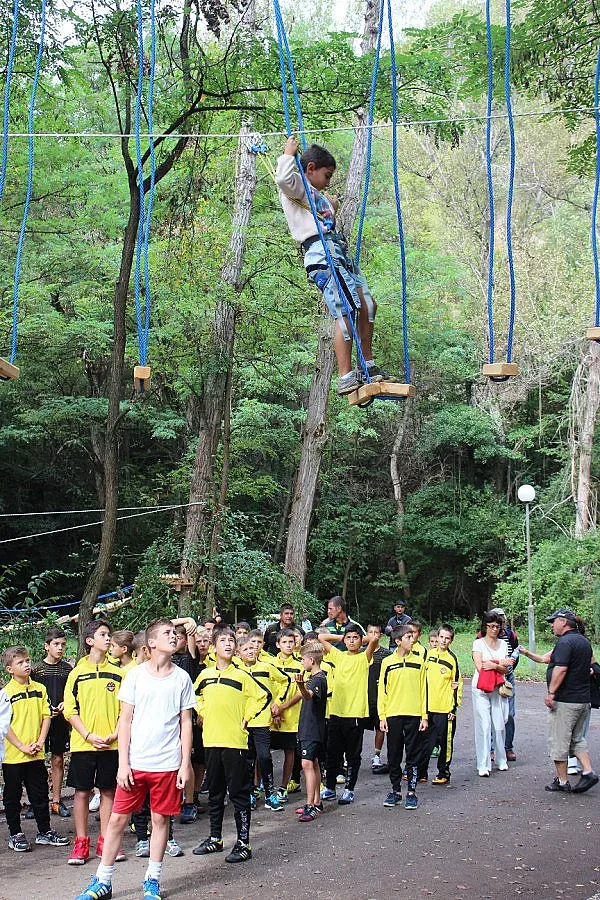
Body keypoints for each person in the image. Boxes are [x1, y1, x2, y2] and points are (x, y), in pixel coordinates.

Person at [74, 618, 196, 900]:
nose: (174, 636)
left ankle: (152, 880)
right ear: (151, 643)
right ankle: (103, 881)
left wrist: (185, 763)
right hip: (136, 763)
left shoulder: (181, 678)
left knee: (160, 821)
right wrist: (123, 763)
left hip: (167, 764)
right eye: (167, 633)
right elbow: (125, 720)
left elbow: (186, 722)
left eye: (175, 633)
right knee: (117, 821)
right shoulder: (135, 676)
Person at [275, 138, 393, 395]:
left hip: (338, 252)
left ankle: (368, 365)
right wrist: (287, 155)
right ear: (311, 169)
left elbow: (322, 218)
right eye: (326, 175)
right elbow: (283, 179)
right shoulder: (298, 187)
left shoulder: (315, 195)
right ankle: (345, 375)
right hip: (322, 255)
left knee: (368, 305)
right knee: (347, 309)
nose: (328, 181)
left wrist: (332, 206)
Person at [193, 627, 269, 863]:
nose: (227, 644)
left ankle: (243, 843)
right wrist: (204, 712)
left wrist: (246, 717)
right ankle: (215, 838)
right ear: (213, 647)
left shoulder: (242, 675)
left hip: (235, 741)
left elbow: (263, 696)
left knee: (238, 793)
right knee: (215, 793)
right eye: (222, 640)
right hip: (211, 741)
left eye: (231, 640)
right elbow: (194, 696)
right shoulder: (204, 675)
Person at [63, 619, 123, 866]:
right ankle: (81, 841)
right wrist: (87, 735)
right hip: (84, 744)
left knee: (108, 790)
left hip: (111, 744)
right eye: (103, 634)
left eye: (109, 634)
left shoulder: (119, 673)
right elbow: (69, 709)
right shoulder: (76, 673)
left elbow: (125, 710)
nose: (108, 638)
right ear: (89, 641)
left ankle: (106, 840)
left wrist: (115, 734)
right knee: (82, 792)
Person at [520, 608, 599, 794]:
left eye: (553, 621)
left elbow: (561, 669)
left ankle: (563, 781)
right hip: (583, 700)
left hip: (566, 701)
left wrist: (551, 692)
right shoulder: (583, 641)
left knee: (558, 742)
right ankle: (588, 772)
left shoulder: (565, 642)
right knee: (577, 739)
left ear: (563, 621)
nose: (552, 625)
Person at [2, 645, 69, 853]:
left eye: (28, 661)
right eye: (20, 662)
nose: (26, 665)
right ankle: (15, 833)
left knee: (39, 795)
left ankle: (44, 831)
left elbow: (46, 715)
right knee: (13, 796)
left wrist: (40, 742)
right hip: (14, 756)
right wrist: (22, 746)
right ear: (9, 669)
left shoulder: (40, 689)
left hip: (36, 753)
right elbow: (4, 725)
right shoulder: (6, 694)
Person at [318, 624, 379, 804]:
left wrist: (360, 638)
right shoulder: (338, 656)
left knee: (353, 754)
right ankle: (329, 788)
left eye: (355, 638)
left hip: (355, 714)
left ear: (360, 640)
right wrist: (342, 637)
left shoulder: (363, 657)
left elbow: (374, 639)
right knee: (333, 752)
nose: (351, 641)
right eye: (349, 638)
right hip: (337, 712)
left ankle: (349, 789)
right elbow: (321, 638)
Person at [236, 635, 289, 811]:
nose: (250, 651)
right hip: (242, 721)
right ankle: (250, 793)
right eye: (245, 649)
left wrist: (278, 702)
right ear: (239, 653)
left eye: (253, 648)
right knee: (247, 760)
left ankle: (269, 794)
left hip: (262, 721)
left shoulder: (267, 667)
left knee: (265, 756)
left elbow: (285, 681)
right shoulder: (236, 670)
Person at [378, 625, 428, 810]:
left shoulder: (420, 661)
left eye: (412, 636)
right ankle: (395, 790)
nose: (412, 640)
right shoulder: (387, 662)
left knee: (413, 755)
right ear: (398, 641)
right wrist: (382, 716)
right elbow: (381, 691)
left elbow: (424, 690)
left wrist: (424, 716)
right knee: (394, 754)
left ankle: (411, 792)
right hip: (393, 714)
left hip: (414, 714)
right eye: (408, 637)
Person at [31, 626, 73, 818]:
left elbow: (73, 693)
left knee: (57, 759)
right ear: (46, 646)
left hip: (60, 721)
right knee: (37, 761)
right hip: (40, 721)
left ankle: (56, 800)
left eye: (63, 644)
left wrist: (66, 704)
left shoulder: (67, 669)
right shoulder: (36, 670)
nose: (60, 648)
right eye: (56, 644)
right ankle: (37, 801)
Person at [471, 611, 511, 777]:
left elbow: (507, 668)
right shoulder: (478, 644)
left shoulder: (503, 644)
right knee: (484, 725)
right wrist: (500, 663)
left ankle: (501, 759)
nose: (494, 629)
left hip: (498, 687)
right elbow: (481, 667)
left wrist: (494, 665)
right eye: (491, 626)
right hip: (481, 687)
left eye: (497, 626)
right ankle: (483, 764)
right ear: (485, 627)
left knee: (500, 724)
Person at [425, 624, 463, 785]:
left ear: (451, 640)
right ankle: (421, 772)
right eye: (441, 637)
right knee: (425, 741)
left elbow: (457, 685)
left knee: (445, 743)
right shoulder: (429, 655)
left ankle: (443, 772)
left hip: (445, 708)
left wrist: (453, 708)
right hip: (428, 708)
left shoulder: (452, 659)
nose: (443, 640)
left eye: (447, 638)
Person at [294, 642, 327, 822]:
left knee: (307, 765)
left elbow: (308, 695)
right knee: (312, 764)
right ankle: (316, 801)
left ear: (311, 660)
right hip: (308, 728)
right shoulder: (314, 678)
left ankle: (310, 805)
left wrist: (300, 686)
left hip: (312, 729)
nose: (302, 663)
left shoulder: (318, 679)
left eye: (302, 659)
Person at [270, 628, 303, 802]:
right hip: (270, 715)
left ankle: (283, 786)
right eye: (284, 642)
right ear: (277, 644)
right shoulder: (270, 664)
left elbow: (300, 692)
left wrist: (283, 708)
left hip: (291, 715)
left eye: (291, 642)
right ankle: (262, 786)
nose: (288, 645)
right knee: (263, 753)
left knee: (290, 751)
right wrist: (274, 710)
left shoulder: (299, 665)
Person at [488, 607, 519, 761]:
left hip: (508, 676)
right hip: (492, 677)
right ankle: (492, 748)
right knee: (492, 713)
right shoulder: (483, 636)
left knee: (509, 714)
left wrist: (510, 669)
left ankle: (508, 747)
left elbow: (515, 653)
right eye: (496, 619)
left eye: (501, 619)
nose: (499, 624)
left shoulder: (511, 635)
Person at [364, 623, 391, 773]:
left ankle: (376, 755)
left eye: (376, 632)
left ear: (380, 635)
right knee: (357, 728)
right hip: (363, 696)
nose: (373, 635)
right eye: (370, 632)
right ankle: (351, 757)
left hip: (379, 695)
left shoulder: (386, 654)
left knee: (380, 726)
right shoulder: (361, 652)